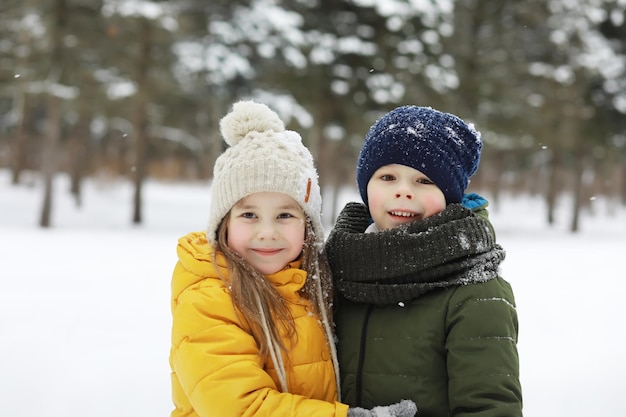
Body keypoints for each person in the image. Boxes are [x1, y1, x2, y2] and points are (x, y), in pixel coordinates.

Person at [169, 100, 417, 417]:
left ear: (308, 225)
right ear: (224, 223)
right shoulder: (209, 298)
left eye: (285, 214)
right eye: (249, 215)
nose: (268, 232)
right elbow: (239, 407)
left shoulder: (311, 282)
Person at [325, 105, 523, 417]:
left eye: (424, 181)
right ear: (366, 187)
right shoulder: (334, 269)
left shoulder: (475, 290)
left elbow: (489, 408)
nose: (403, 191)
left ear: (450, 196)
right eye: (387, 177)